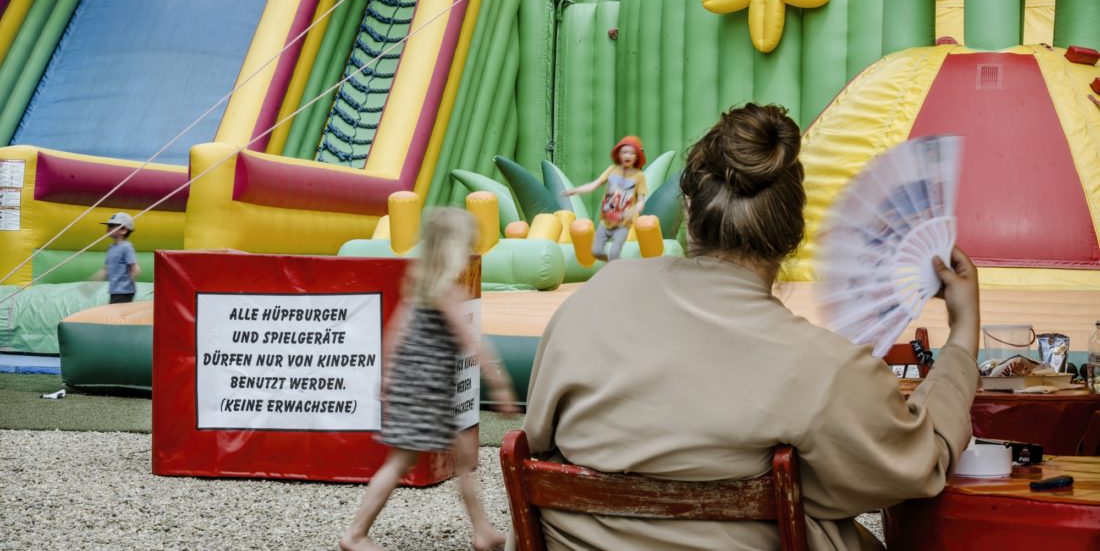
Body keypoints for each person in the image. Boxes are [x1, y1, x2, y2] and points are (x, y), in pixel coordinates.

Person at [516, 103, 980, 551]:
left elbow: (538, 443)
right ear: (792, 233)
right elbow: (917, 467)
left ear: (690, 214)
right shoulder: (823, 368)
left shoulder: (596, 299)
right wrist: (962, 333)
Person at [340, 207, 519, 551]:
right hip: (426, 390)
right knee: (402, 462)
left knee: (463, 459)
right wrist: (501, 385)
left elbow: (394, 332)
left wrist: (386, 378)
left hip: (423, 388)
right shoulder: (445, 292)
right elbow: (472, 342)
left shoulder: (420, 285)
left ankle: (482, 531)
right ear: (454, 249)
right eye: (467, 245)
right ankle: (355, 534)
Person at [562, 135, 648, 262]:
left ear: (637, 157)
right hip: (605, 223)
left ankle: (614, 271)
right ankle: (611, 267)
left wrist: (633, 211)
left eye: (631, 153)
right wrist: (575, 190)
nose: (627, 156)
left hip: (622, 224)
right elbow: (593, 185)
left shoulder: (639, 176)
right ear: (619, 155)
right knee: (596, 252)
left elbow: (641, 201)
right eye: (624, 152)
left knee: (614, 253)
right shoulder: (612, 170)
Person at [91, 212, 140, 304]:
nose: (108, 229)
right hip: (115, 291)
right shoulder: (112, 248)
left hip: (124, 291)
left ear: (124, 230)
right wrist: (94, 282)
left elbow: (134, 267)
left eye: (112, 226)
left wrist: (131, 281)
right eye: (108, 226)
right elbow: (106, 269)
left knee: (117, 316)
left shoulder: (126, 247)